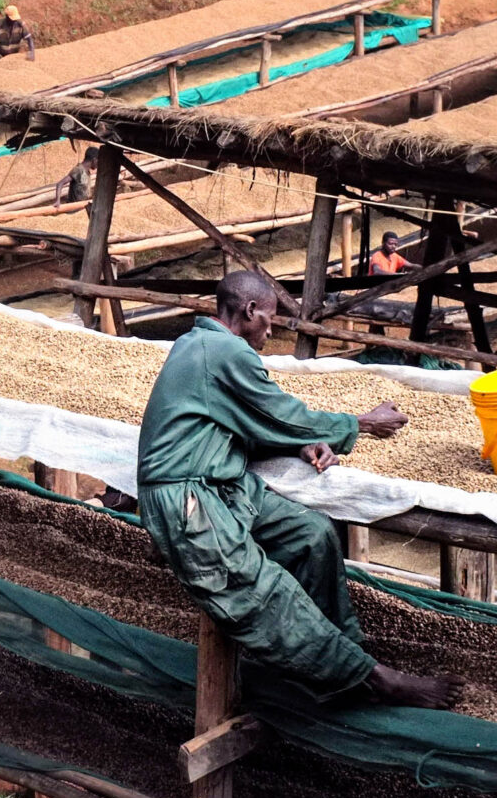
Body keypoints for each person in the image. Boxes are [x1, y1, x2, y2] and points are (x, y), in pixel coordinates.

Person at [136, 270, 456, 706]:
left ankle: (346, 659)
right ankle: (378, 681)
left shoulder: (201, 346)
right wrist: (361, 422)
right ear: (249, 311)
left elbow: (254, 419)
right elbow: (284, 413)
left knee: (311, 533)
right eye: (269, 319)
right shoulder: (223, 351)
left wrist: (302, 441)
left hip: (226, 489)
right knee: (267, 593)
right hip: (189, 501)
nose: (271, 330)